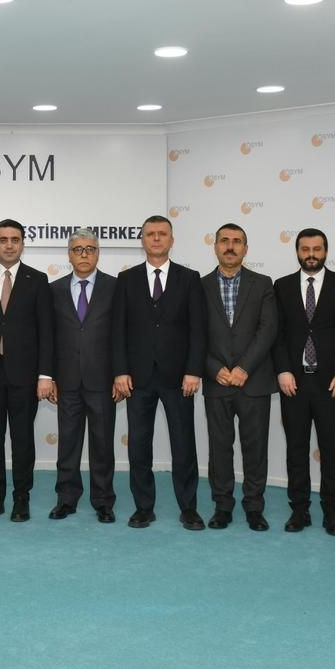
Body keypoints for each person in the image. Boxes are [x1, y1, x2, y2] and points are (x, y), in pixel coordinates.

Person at [112, 215, 206, 530]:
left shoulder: (189, 278)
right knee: (139, 446)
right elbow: (118, 329)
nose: (156, 238)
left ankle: (189, 508)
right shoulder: (126, 279)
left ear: (171, 239)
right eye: (150, 234)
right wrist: (120, 370)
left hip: (179, 378)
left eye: (162, 233)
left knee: (184, 445)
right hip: (137, 378)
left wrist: (194, 370)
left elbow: (198, 329)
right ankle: (143, 508)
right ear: (142, 240)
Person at [0, 219, 54, 521]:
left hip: (25, 375)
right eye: (3, 240)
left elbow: (46, 331)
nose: (9, 245)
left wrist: (45, 375)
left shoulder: (37, 280)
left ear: (22, 244)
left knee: (22, 440)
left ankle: (21, 499)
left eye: (15, 239)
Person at [272, 228, 335, 535]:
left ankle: (332, 512)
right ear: (297, 251)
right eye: (305, 249)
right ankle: (299, 510)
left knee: (332, 450)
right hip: (293, 383)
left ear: (325, 251)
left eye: (317, 249)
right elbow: (277, 333)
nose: (311, 254)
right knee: (296, 449)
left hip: (331, 383)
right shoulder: (281, 286)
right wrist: (282, 370)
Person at [198, 223, 278, 532]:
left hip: (253, 381)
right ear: (215, 246)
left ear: (245, 248)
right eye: (224, 241)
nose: (230, 246)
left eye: (237, 241)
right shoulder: (200, 286)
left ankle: (254, 508)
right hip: (216, 381)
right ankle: (222, 506)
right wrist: (212, 368)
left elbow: (268, 329)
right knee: (220, 448)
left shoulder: (263, 284)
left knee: (255, 449)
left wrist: (244, 367)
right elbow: (193, 333)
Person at [46, 230, 118, 523]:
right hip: (67, 381)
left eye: (90, 249)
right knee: (68, 444)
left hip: (103, 380)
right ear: (69, 255)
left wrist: (120, 374)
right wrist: (49, 376)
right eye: (78, 249)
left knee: (103, 445)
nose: (84, 254)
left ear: (98, 253)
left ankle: (103, 501)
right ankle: (66, 499)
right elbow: (48, 338)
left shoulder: (115, 287)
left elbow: (122, 335)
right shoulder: (53, 290)